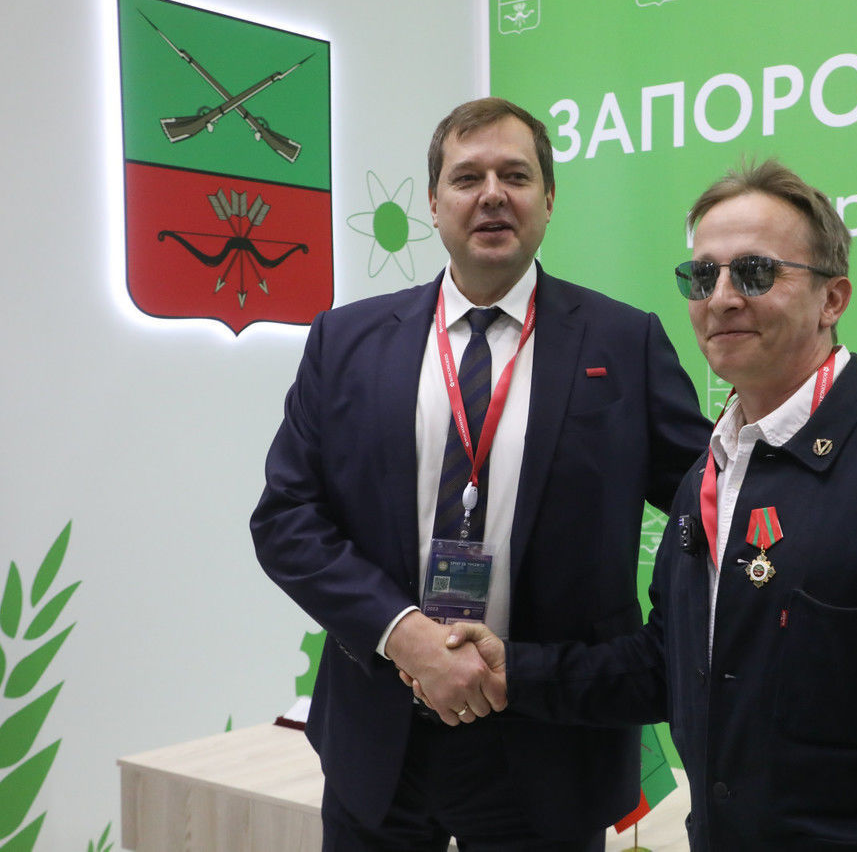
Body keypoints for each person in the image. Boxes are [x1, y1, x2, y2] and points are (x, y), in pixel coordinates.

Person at [446, 159, 857, 850]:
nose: (722, 298)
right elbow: (669, 667)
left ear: (832, 299)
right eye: (703, 276)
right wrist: (514, 671)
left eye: (755, 273)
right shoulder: (710, 473)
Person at [250, 97, 709, 851]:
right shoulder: (346, 341)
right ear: (434, 203)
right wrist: (403, 635)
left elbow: (710, 506)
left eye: (515, 175)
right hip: (381, 737)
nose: (492, 194)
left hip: (548, 739)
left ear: (549, 199)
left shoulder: (624, 343)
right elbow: (286, 519)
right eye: (467, 177)